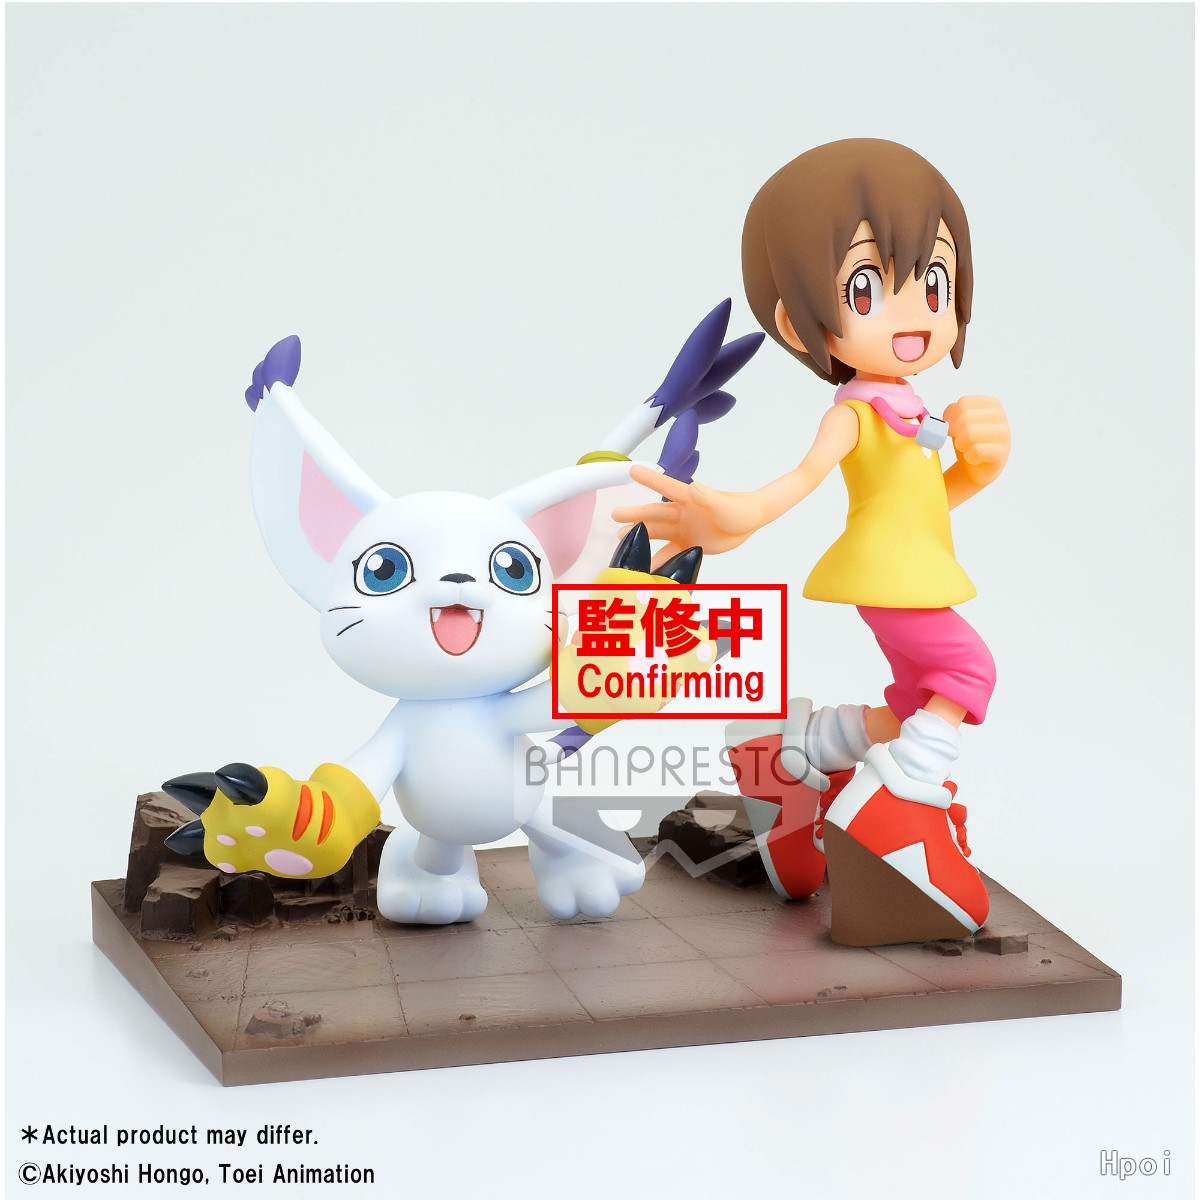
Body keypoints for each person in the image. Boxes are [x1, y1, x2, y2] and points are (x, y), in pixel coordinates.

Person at [615, 139, 1010, 945]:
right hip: (890, 579)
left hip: (911, 567)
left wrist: (981, 468)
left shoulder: (911, 407)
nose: (914, 314)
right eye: (868, 288)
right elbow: (803, 478)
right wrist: (740, 514)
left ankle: (801, 747)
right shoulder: (856, 411)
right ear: (800, 322)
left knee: (914, 703)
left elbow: (922, 504)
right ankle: (901, 801)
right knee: (970, 670)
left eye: (934, 283)